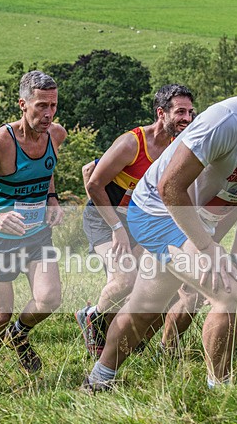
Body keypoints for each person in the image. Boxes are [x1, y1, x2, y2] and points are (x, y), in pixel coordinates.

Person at [82, 50, 237, 392]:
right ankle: (221, 390)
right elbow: (170, 186)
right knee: (230, 294)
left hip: (199, 215)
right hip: (159, 208)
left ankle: (100, 377)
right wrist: (207, 248)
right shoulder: (228, 120)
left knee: (147, 304)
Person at [75, 84, 196, 357]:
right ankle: (92, 317)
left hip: (144, 223)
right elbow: (93, 181)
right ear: (161, 113)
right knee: (126, 280)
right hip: (105, 218)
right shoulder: (133, 143)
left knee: (158, 282)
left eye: (190, 112)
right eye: (180, 112)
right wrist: (116, 228)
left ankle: (127, 339)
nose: (187, 118)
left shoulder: (183, 148)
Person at [0, 70, 67, 381]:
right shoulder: (1, 143)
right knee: (0, 314)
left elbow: (48, 167)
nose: (48, 114)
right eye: (41, 105)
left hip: (36, 233)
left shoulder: (56, 134)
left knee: (50, 298)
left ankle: (19, 334)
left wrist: (52, 197)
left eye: (53, 105)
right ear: (22, 104)